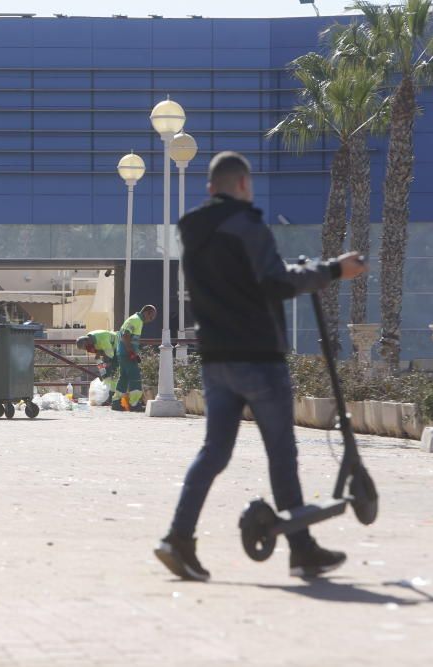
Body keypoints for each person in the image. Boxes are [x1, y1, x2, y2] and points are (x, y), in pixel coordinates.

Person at [155, 151, 368, 581]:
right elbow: (274, 282)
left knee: (214, 452)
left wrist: (299, 270)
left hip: (216, 360)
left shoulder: (193, 232)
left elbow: (252, 278)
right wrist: (331, 270)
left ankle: (178, 538)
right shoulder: (247, 225)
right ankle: (303, 551)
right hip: (258, 358)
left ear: (210, 187)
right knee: (281, 454)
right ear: (244, 185)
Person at [113, 305, 156, 412]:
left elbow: (126, 336)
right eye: (151, 317)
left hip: (122, 353)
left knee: (124, 378)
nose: (150, 320)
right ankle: (134, 404)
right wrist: (132, 353)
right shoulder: (136, 320)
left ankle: (116, 402)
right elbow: (125, 335)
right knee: (135, 377)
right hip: (127, 354)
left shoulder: (135, 320)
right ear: (147, 312)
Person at [77, 330, 119, 405]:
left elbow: (110, 355)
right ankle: (109, 395)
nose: (87, 349)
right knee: (105, 373)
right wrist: (99, 358)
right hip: (108, 348)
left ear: (87, 341)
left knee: (112, 372)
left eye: (85, 347)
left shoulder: (102, 341)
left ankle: (112, 397)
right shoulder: (90, 338)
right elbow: (100, 351)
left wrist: (105, 366)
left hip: (116, 346)